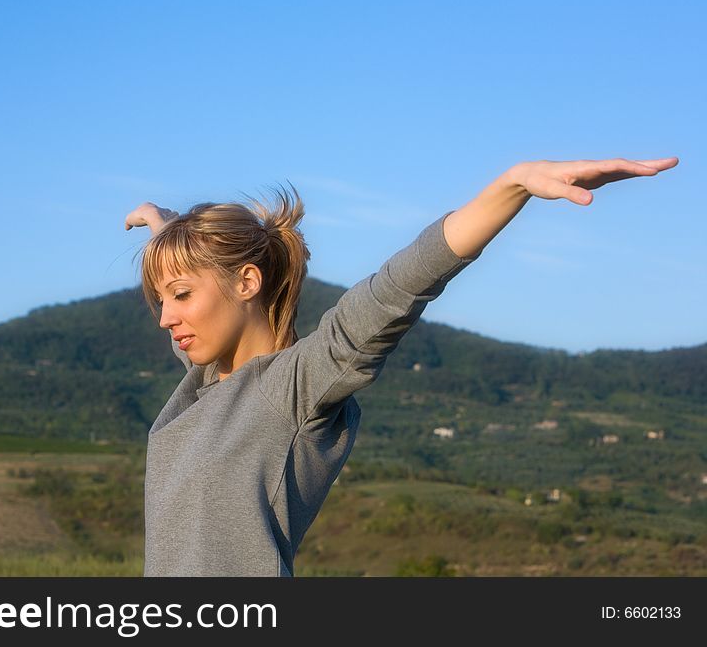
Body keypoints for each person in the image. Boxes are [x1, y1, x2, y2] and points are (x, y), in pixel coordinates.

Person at [123, 157, 679, 576]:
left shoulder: (292, 388)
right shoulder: (201, 385)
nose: (166, 317)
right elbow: (203, 317)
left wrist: (511, 186)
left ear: (247, 282)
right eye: (161, 299)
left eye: (180, 294)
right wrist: (171, 235)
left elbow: (396, 288)